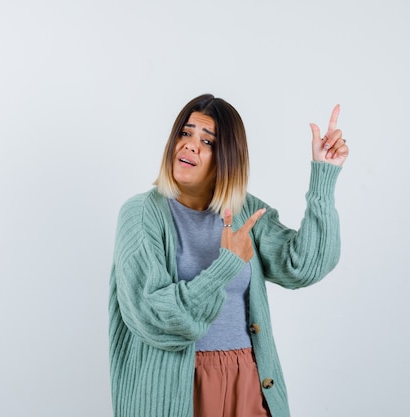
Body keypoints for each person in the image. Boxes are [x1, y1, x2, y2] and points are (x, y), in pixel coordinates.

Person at [108, 94, 348, 417]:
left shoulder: (243, 209)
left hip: (247, 379)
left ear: (227, 158)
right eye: (185, 133)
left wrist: (323, 176)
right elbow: (152, 313)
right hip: (178, 388)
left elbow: (303, 265)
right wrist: (225, 266)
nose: (191, 145)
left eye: (207, 141)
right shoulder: (140, 215)